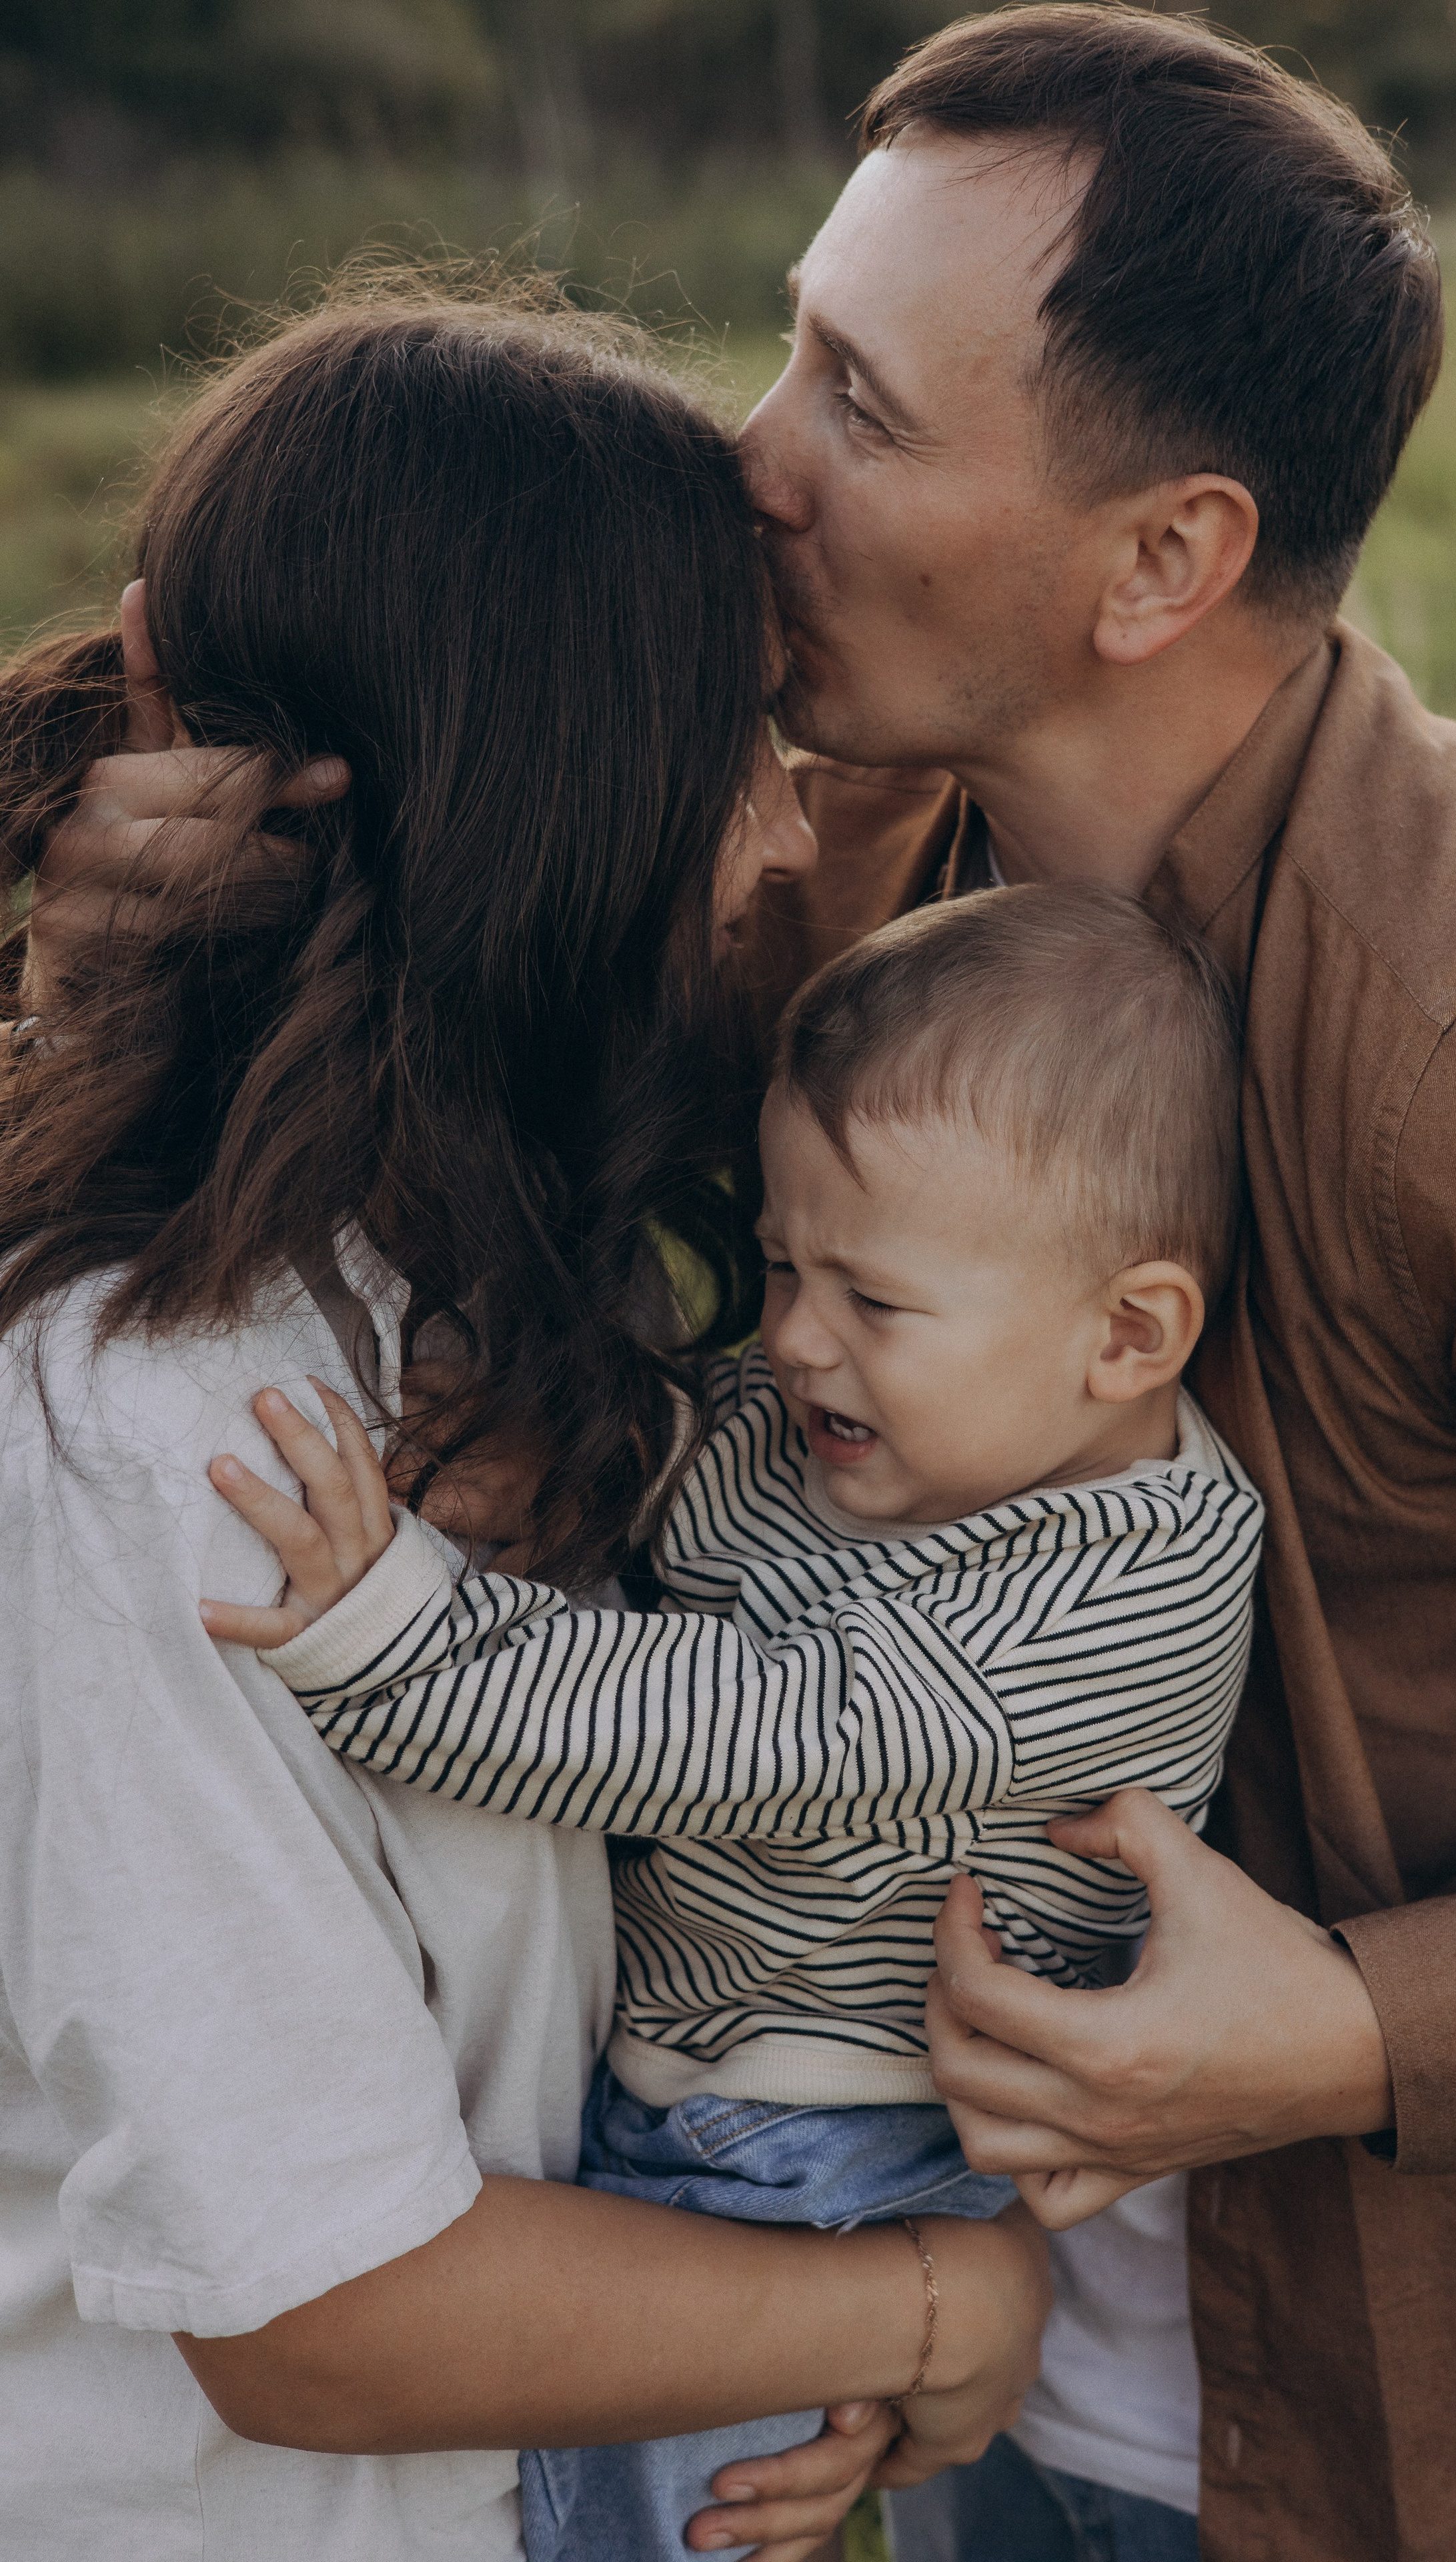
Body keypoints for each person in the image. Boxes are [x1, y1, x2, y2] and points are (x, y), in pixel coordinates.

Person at [38, 9, 1456, 2556]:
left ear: (1166, 557)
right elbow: (457, 1048)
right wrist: (158, 931)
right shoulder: (846, 861)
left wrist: (1383, 2021)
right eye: (789, 344)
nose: (754, 466)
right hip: (906, 2327)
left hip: (1384, 2434)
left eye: (864, 402)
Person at [0, 284, 1050, 2562]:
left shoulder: (468, 1292)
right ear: (547, 806)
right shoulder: (172, 1434)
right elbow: (323, 2303)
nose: (785, 845)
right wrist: (926, 2303)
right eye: (735, 743)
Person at [195, 881, 1266, 2562]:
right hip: (704, 2088)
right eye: (778, 1261)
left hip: (823, 2148)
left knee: (646, 2530)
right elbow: (705, 1443)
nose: (792, 1334)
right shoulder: (895, 1416)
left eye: (868, 1300)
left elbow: (747, 1724)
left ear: (1125, 1335)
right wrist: (564, 1435)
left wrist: (390, 1632)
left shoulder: (1108, 1596)